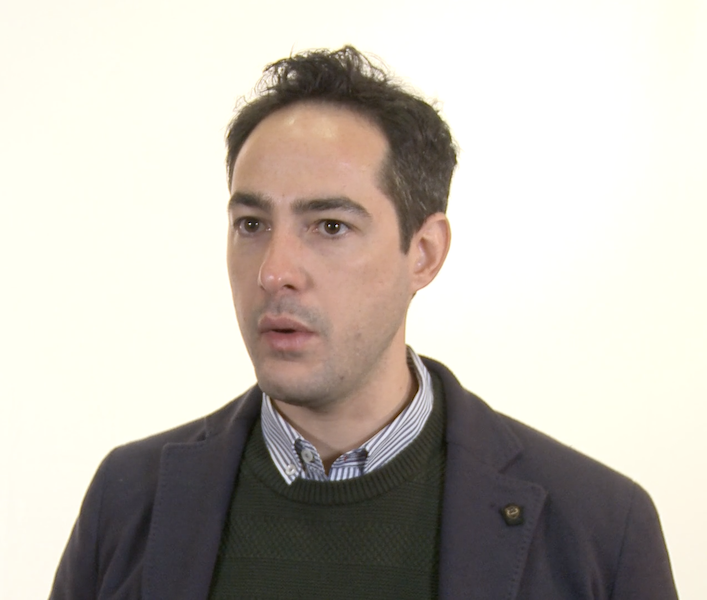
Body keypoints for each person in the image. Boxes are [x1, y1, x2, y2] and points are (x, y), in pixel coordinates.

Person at [49, 46, 677, 599]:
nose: (274, 271)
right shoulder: (129, 498)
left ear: (423, 253)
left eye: (330, 226)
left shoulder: (600, 527)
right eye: (252, 224)